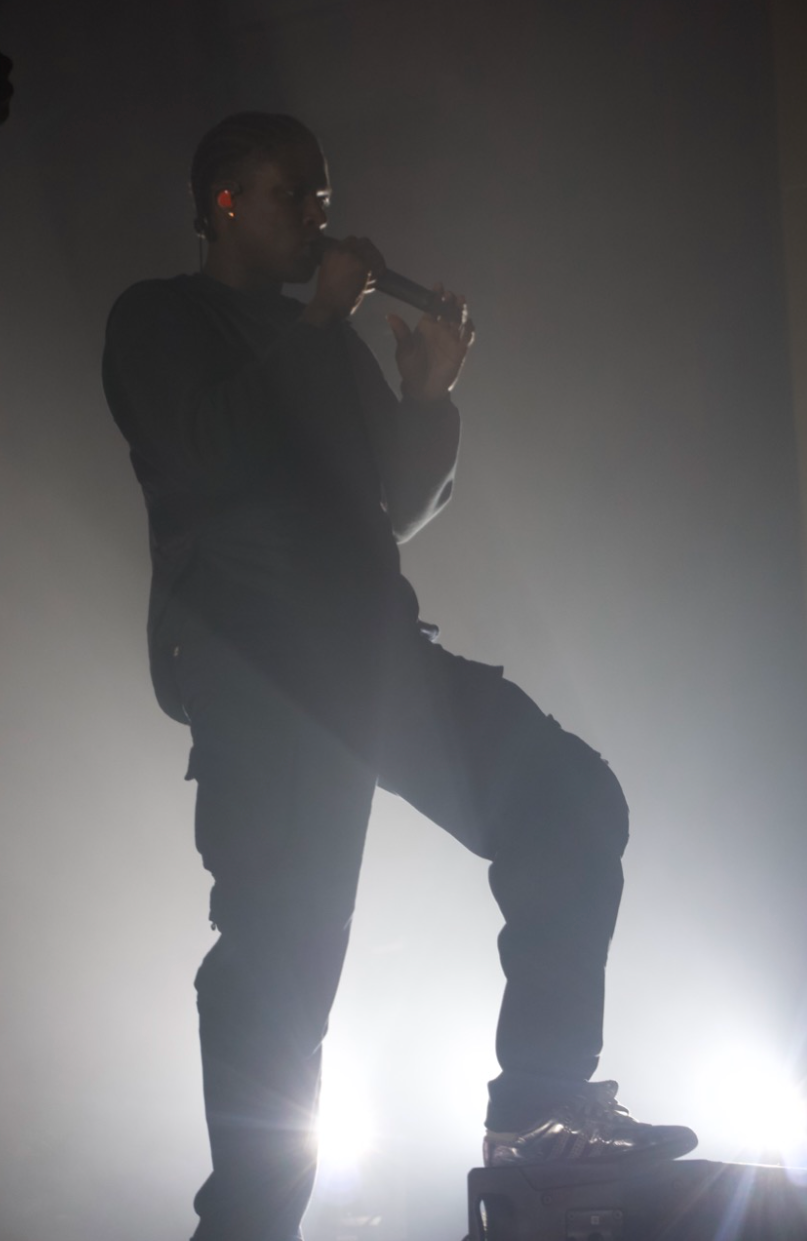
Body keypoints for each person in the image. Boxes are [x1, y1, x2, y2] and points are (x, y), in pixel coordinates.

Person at [102, 112, 696, 1241]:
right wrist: (318, 321)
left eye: (323, 200)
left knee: (567, 800)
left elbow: (392, 514)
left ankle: (538, 1110)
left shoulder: (325, 346)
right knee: (281, 962)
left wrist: (426, 401)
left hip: (372, 656)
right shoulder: (160, 319)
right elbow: (207, 453)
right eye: (293, 196)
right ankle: (248, 1226)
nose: (317, 219)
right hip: (261, 675)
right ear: (223, 202)